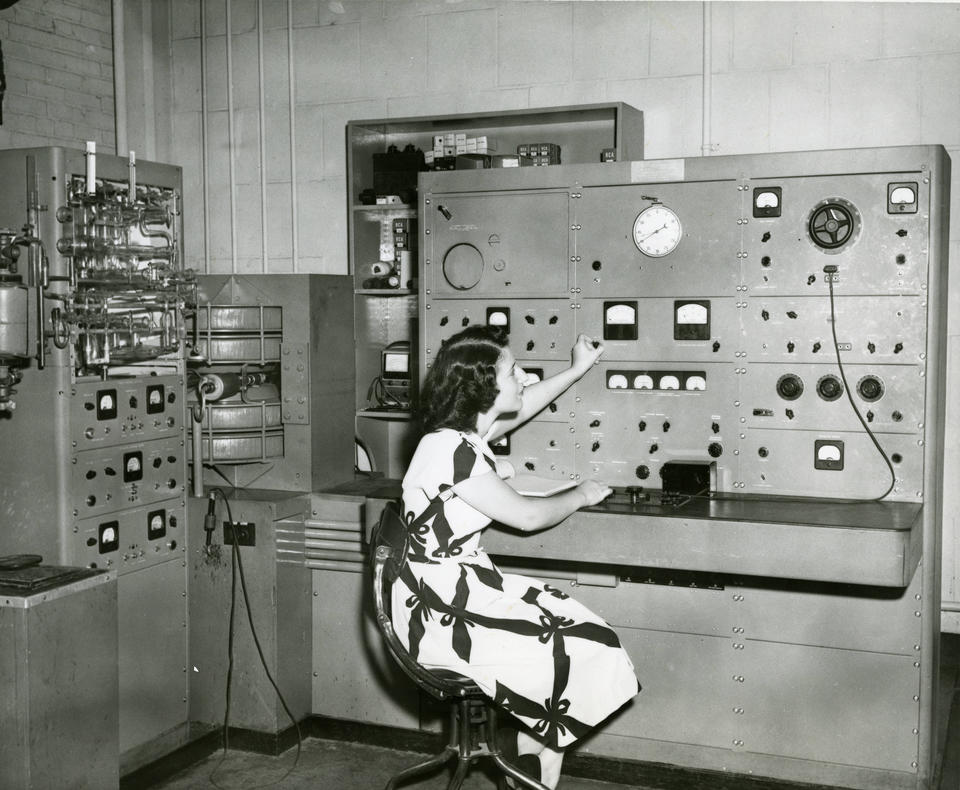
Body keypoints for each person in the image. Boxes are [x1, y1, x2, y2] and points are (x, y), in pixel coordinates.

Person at [391, 324, 640, 789]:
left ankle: (530, 762)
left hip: (446, 586)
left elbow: (523, 406)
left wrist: (576, 369)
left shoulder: (458, 436)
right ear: (483, 387)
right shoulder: (450, 449)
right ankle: (530, 765)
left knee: (578, 632)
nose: (523, 376)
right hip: (436, 609)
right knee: (584, 645)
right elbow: (525, 518)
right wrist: (581, 495)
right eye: (512, 370)